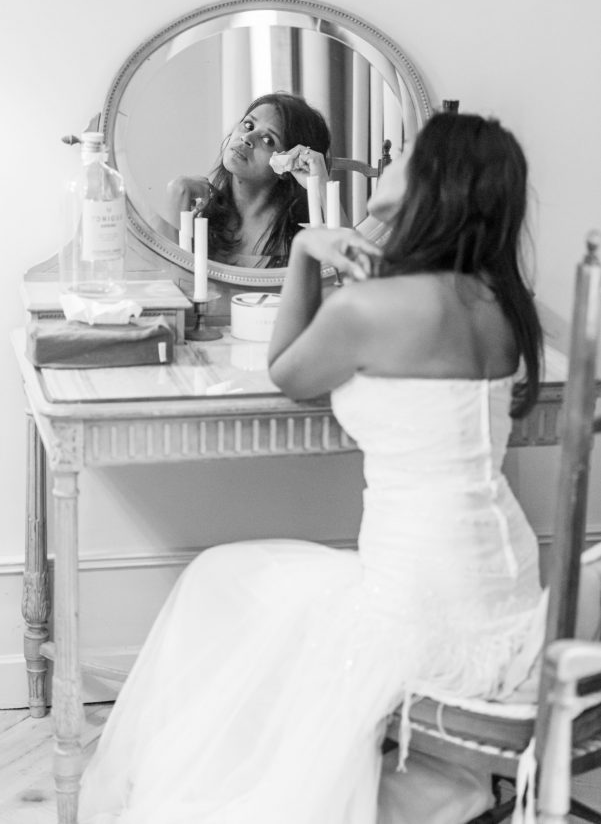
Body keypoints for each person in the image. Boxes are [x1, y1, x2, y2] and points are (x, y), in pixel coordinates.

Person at [79, 112, 601, 824]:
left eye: (400, 156)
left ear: (427, 185)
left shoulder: (370, 308)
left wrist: (303, 255)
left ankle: (264, 764)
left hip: (414, 598)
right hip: (501, 591)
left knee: (220, 578)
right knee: (245, 584)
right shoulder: (497, 301)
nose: (382, 163)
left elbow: (289, 372)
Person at [166, 91, 332, 268]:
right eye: (248, 125)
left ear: (287, 165)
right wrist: (177, 197)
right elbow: (168, 283)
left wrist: (321, 184)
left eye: (268, 140)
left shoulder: (304, 235)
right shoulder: (199, 215)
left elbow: (348, 277)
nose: (246, 138)